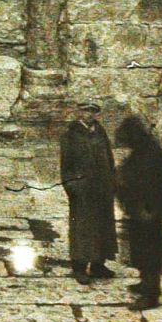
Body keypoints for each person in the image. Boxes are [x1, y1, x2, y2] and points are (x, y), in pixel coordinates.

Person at [113, 114, 162, 310]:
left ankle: (151, 294)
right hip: (141, 211)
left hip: (148, 212)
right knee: (139, 250)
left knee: (150, 253)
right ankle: (144, 282)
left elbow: (150, 184)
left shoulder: (149, 153)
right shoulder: (143, 149)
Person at [60, 104, 117, 282]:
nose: (89, 115)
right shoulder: (70, 134)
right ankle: (79, 267)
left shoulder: (100, 132)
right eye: (86, 111)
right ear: (78, 112)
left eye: (93, 112)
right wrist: (72, 187)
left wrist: (112, 181)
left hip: (102, 188)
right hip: (83, 190)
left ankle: (98, 264)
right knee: (83, 228)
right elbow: (66, 165)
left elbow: (109, 157)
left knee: (103, 226)